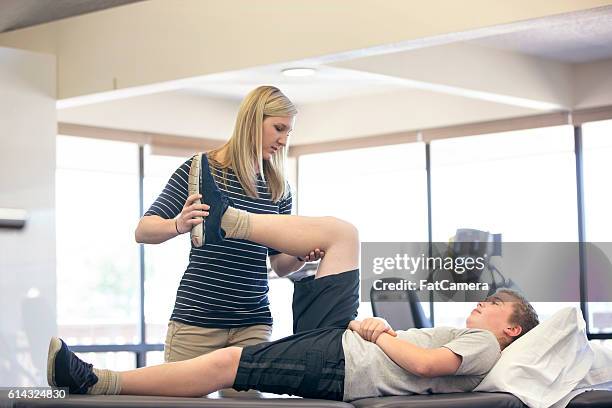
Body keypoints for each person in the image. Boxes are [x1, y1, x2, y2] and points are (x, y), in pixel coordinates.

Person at [48, 155, 540, 402]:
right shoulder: (478, 336)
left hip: (345, 359)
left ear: (511, 327)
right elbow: (282, 265)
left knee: (226, 365)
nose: (484, 301)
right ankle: (232, 219)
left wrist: (381, 331)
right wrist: (300, 259)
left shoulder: (484, 343)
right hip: (341, 346)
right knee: (343, 235)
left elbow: (428, 366)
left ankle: (97, 381)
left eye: (496, 303)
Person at [134, 85, 323, 363]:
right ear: (252, 121)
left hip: (252, 324)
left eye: (288, 133)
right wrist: (178, 224)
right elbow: (143, 230)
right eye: (278, 128)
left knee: (245, 406)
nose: (283, 140)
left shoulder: (278, 188)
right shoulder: (200, 170)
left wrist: (299, 255)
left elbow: (279, 266)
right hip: (196, 322)